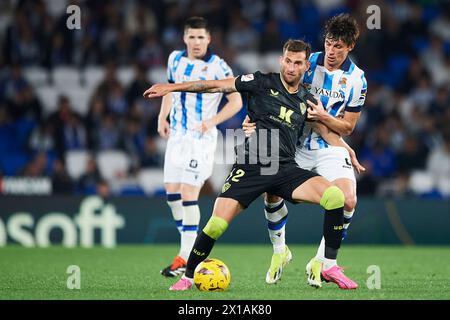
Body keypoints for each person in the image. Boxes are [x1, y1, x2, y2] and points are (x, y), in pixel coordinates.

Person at [144, 39, 358, 291]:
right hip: (251, 167)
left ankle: (328, 265)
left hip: (286, 169)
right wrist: (172, 88)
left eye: (298, 63)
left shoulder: (307, 99)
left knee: (335, 197)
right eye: (288, 60)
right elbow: (214, 86)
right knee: (216, 224)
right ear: (281, 60)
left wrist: (348, 149)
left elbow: (327, 134)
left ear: (305, 67)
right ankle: (188, 277)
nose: (291, 67)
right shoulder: (260, 82)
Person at [243, 14, 367, 289]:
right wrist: (254, 117)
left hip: (327, 145)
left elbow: (347, 126)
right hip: (293, 141)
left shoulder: (357, 80)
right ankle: (280, 252)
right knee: (271, 189)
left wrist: (324, 117)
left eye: (339, 46)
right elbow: (271, 91)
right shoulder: (306, 62)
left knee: (348, 199)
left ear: (350, 47)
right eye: (329, 44)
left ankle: (322, 263)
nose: (332, 51)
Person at [157, 17, 243, 277]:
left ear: (209, 39)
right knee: (172, 194)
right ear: (185, 38)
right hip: (177, 137)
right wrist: (163, 116)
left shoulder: (218, 67)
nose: (196, 42)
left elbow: (237, 101)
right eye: (191, 37)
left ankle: (185, 260)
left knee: (187, 192)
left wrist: (213, 121)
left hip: (201, 139)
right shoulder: (174, 59)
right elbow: (170, 89)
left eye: (200, 37)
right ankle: (184, 254)